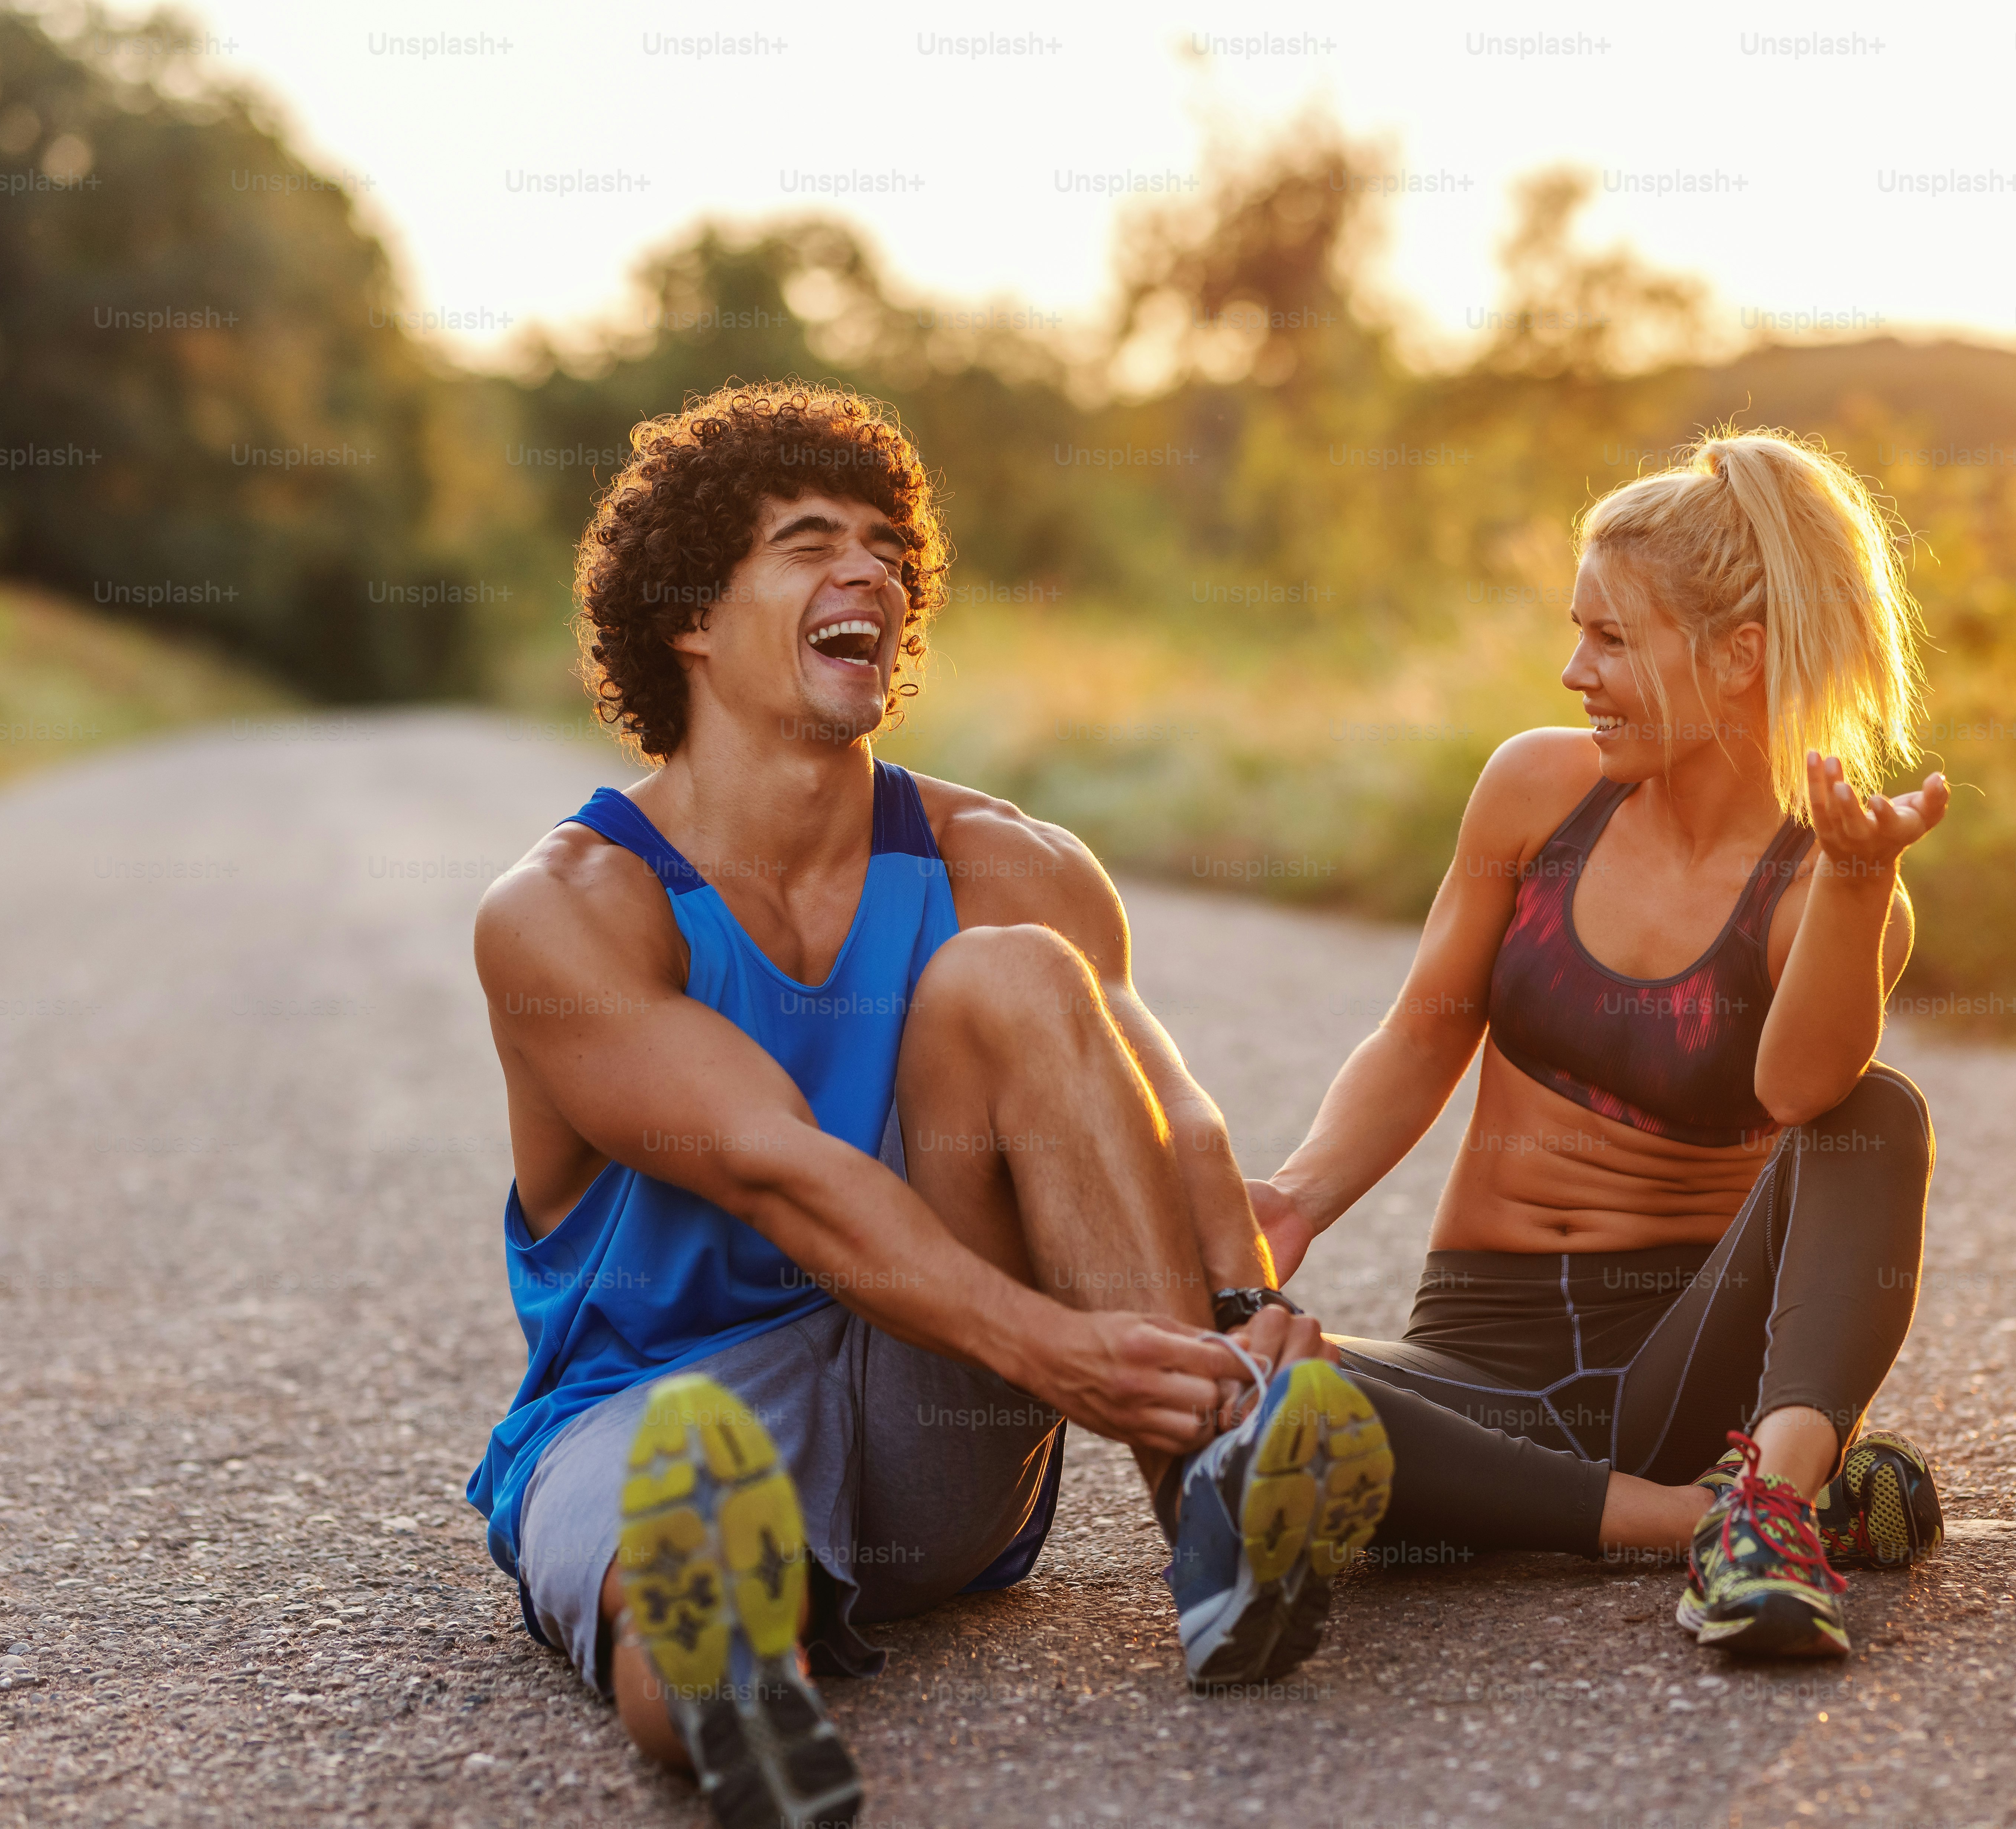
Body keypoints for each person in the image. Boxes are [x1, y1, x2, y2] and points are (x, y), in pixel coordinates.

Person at [461, 381, 1394, 1829]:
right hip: (656, 1403)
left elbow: (1174, 1125)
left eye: (891, 547)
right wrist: (1054, 1347)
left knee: (1017, 980)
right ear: (691, 617)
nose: (874, 573)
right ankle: (746, 1712)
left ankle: (1212, 1503)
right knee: (682, 1545)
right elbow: (775, 1167)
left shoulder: (1010, 863)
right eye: (811, 542)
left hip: (933, 1409)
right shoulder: (570, 911)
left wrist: (1237, 1316)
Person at [1252, 430, 1950, 1658]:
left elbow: (1803, 1093)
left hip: (1681, 1372)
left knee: (1876, 1108)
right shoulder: (1535, 793)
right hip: (1473, 1362)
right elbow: (1422, 1036)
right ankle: (1727, 1519)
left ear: (1739, 659)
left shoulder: (1826, 886)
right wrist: (1297, 1199)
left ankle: (1765, 1495)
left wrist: (1854, 881)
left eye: (1615, 640)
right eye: (1579, 633)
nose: (1576, 672)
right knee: (1238, 1375)